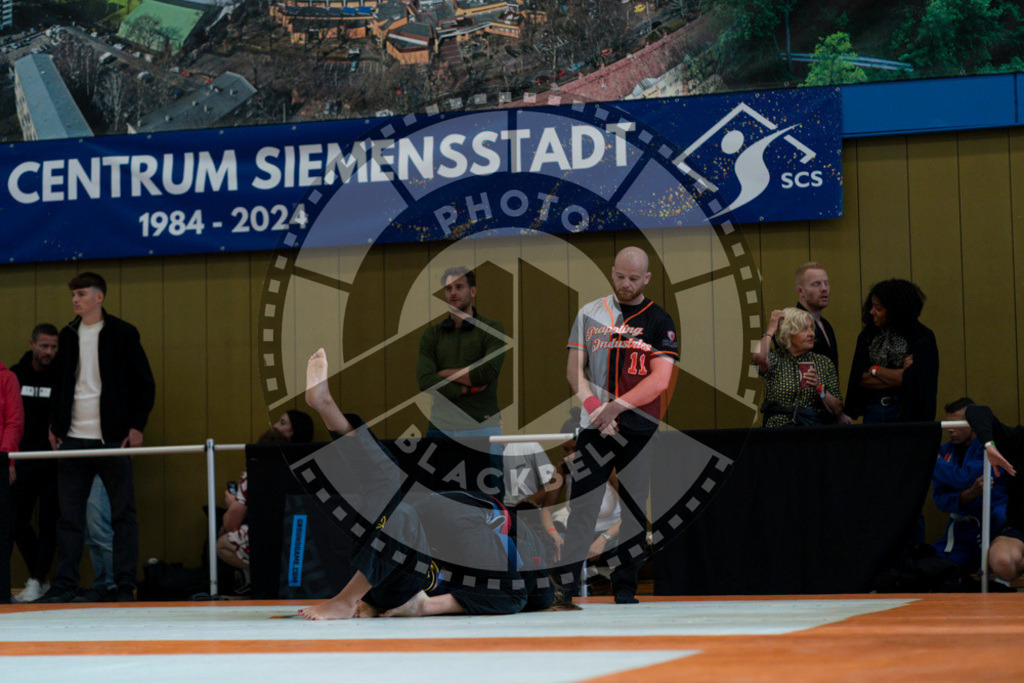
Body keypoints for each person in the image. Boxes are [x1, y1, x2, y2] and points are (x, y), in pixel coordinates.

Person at [300, 348, 555, 620]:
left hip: (410, 542)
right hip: (438, 528)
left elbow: (517, 594)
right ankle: (346, 601)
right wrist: (424, 606)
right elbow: (517, 594)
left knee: (387, 484)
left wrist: (421, 605)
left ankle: (326, 405)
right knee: (392, 494)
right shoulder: (518, 562)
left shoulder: (514, 566)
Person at [561, 246, 677, 598]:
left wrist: (618, 407)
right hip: (595, 426)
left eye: (633, 278)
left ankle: (624, 587)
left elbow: (659, 380)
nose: (626, 284)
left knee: (632, 508)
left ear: (647, 278)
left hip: (638, 428)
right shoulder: (590, 313)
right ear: (612, 273)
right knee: (581, 505)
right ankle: (564, 588)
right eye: (620, 277)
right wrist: (598, 409)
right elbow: (573, 370)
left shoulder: (659, 321)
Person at [36, 272, 156, 604]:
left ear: (99, 297)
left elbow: (145, 384)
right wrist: (54, 424)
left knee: (122, 515)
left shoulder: (123, 333)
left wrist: (136, 426)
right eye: (73, 294)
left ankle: (123, 585)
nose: (75, 300)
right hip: (72, 438)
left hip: (112, 438)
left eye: (82, 294)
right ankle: (64, 586)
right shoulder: (68, 334)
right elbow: (60, 385)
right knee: (69, 518)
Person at [416, 266, 506, 495]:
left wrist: (443, 372)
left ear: (473, 291)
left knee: (491, 497)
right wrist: (464, 390)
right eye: (448, 288)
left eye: (459, 287)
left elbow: (485, 374)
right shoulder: (432, 335)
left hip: (482, 426)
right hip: (440, 427)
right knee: (439, 499)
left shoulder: (492, 329)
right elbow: (425, 380)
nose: (453, 293)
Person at [540, 412, 638, 603]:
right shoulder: (562, 469)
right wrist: (553, 534)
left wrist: (604, 538)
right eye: (565, 449)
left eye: (574, 448)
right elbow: (546, 510)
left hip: (610, 534)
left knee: (628, 542)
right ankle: (562, 590)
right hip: (578, 534)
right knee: (551, 543)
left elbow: (629, 513)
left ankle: (620, 589)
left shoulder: (608, 468)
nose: (570, 455)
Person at [9, 323, 59, 603]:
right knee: (16, 521)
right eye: (43, 346)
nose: (48, 352)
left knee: (49, 522)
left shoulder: (60, 376)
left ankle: (37, 580)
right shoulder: (16, 375)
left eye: (53, 347)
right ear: (32, 344)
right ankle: (40, 578)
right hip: (23, 459)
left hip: (52, 460)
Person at [844, 279, 939, 423]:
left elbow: (918, 382)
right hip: (873, 410)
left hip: (906, 413)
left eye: (878, 308)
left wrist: (874, 369)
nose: (871, 312)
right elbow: (860, 379)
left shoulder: (921, 337)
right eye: (872, 306)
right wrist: (901, 375)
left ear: (895, 310)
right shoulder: (867, 335)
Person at [931, 397, 1007, 570]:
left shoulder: (990, 448)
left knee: (999, 561)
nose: (950, 429)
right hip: (961, 530)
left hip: (994, 525)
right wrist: (969, 494)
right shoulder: (944, 452)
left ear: (973, 423)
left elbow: (964, 479)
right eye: (947, 424)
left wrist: (936, 462)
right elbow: (940, 499)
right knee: (935, 566)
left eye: (957, 423)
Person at [963, 404, 1024, 585]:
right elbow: (975, 411)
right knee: (1002, 561)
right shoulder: (1018, 439)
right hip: (1019, 529)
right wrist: (989, 445)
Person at [752, 307, 844, 427]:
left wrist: (819, 387)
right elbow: (758, 357)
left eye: (812, 328)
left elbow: (837, 409)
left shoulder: (823, 362)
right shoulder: (776, 359)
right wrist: (771, 329)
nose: (812, 334)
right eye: (804, 329)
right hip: (777, 431)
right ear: (788, 333)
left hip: (812, 431)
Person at [1, 357, 25, 605]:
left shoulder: (7, 379)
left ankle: (1, 593)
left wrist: (7, 459)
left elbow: (14, 422)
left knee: (3, 530)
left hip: (0, 459)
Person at [794, 262, 838, 370]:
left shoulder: (826, 325)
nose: (824, 289)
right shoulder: (794, 324)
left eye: (826, 283)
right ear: (801, 291)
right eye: (816, 284)